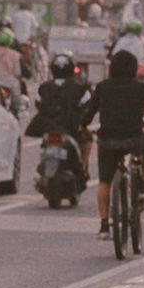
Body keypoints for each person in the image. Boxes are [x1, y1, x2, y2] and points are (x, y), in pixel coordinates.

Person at [80, 51, 144, 239]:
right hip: (135, 138)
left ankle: (105, 225)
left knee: (104, 181)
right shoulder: (141, 88)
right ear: (133, 68)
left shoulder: (102, 87)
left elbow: (89, 114)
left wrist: (83, 127)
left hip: (107, 141)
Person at [26, 52, 94, 189]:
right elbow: (87, 105)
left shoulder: (44, 87)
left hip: (47, 127)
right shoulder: (80, 88)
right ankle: (82, 166)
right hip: (71, 127)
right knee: (87, 139)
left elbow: (38, 104)